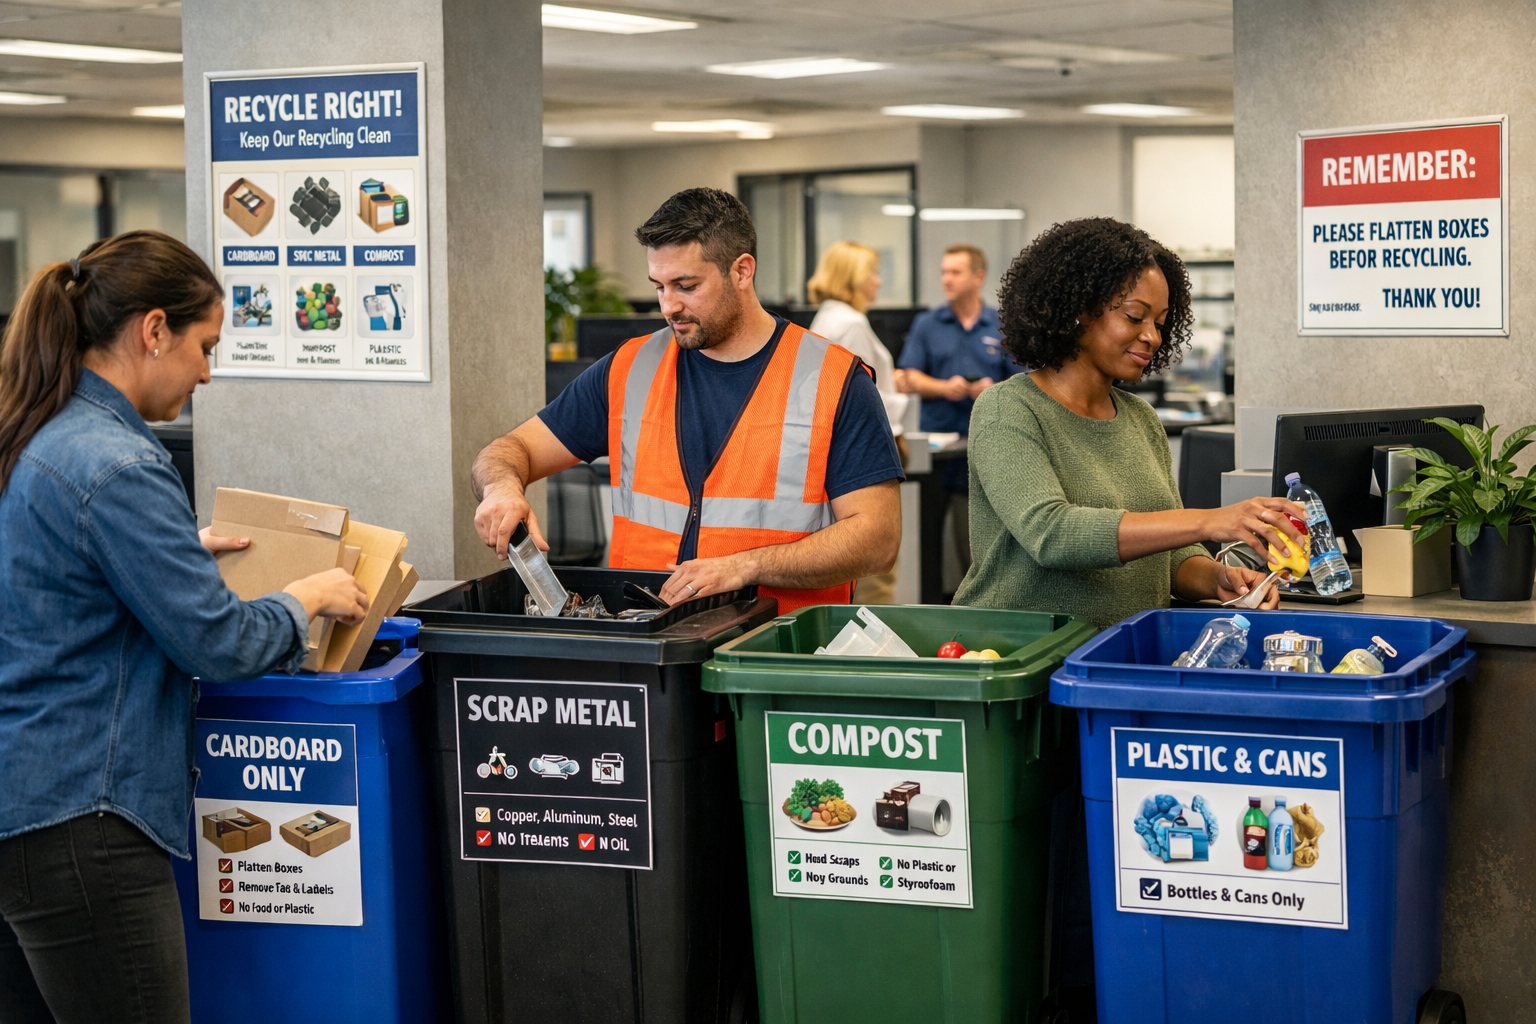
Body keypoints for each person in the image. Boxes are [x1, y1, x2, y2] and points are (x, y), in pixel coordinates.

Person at [0, 231, 369, 1024]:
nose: (207, 372)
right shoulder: (119, 464)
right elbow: (221, 644)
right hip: (84, 822)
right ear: (154, 330)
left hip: (20, 806)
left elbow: (47, 584)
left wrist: (167, 554)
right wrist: (305, 596)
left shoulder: (33, 432)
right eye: (205, 346)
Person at [473, 188, 903, 612]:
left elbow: (878, 540)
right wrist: (501, 489)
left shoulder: (834, 379)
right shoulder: (629, 369)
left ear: (742, 271)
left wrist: (746, 566)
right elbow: (512, 448)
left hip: (772, 646)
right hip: (646, 639)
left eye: (686, 285)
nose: (668, 306)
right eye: (659, 287)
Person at [953, 217, 1307, 628]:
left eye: (1160, 323)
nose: (1152, 337)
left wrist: (1217, 578)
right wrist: (1209, 519)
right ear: (1079, 310)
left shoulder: (1140, 418)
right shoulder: (1008, 408)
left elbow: (1170, 557)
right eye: (1136, 317)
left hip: (1121, 651)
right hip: (1022, 652)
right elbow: (1051, 534)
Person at [896, 243, 1018, 580]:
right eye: (944, 272)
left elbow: (1023, 381)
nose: (946, 279)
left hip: (983, 449)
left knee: (976, 548)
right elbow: (908, 376)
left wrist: (993, 389)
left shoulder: (1001, 324)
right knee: (924, 547)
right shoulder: (927, 324)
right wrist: (943, 387)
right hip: (934, 453)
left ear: (978, 277)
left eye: (955, 272)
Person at [807, 240, 911, 604]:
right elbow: (865, 397)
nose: (878, 281)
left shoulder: (828, 318)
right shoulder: (851, 324)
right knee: (874, 579)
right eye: (872, 273)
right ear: (852, 276)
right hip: (865, 455)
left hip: (836, 456)